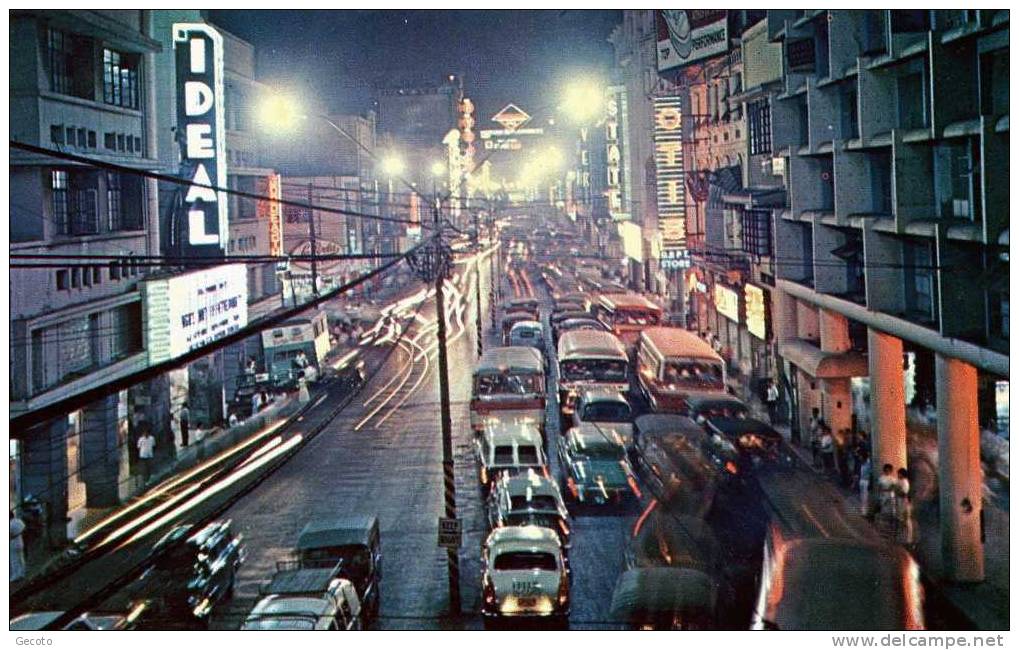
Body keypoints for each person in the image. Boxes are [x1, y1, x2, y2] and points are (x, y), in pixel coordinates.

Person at [896, 467, 915, 548]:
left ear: (902, 474)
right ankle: (903, 538)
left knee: (906, 521)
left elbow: (903, 493)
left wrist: (896, 491)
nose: (898, 475)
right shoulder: (900, 481)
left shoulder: (905, 482)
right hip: (901, 502)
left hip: (904, 502)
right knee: (902, 520)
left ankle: (909, 540)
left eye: (899, 474)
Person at [10, 510, 26, 583]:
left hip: (12, 543)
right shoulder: (18, 521)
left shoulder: (10, 524)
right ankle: (22, 573)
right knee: (21, 558)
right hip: (20, 540)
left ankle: (15, 576)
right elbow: (24, 528)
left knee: (14, 560)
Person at [858, 452, 873, 517]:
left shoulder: (869, 464)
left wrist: (870, 482)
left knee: (866, 497)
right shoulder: (862, 463)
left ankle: (866, 512)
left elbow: (871, 474)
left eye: (860, 457)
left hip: (866, 481)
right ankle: (863, 511)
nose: (859, 458)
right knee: (862, 497)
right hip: (862, 480)